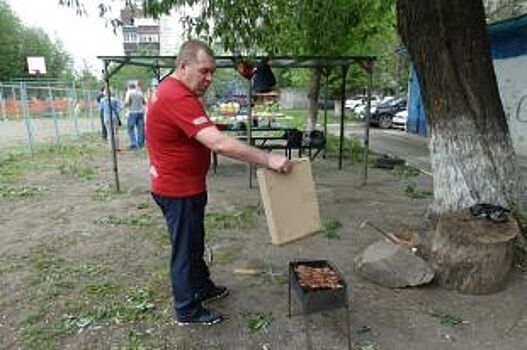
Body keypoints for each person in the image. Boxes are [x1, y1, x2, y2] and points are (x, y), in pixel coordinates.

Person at [146, 39, 292, 326]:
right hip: (178, 189)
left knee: (194, 243)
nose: (209, 78)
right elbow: (217, 142)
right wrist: (268, 158)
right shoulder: (176, 95)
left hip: (183, 185)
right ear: (183, 66)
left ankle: (201, 287)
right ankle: (187, 309)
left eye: (212, 72)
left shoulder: (172, 89)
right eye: (204, 71)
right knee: (185, 250)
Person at [124, 82, 146, 150]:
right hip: (140, 112)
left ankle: (134, 144)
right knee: (140, 128)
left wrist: (125, 106)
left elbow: (127, 102)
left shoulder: (129, 92)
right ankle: (141, 144)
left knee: (130, 128)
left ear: (129, 87)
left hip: (132, 112)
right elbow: (144, 102)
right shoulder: (140, 92)